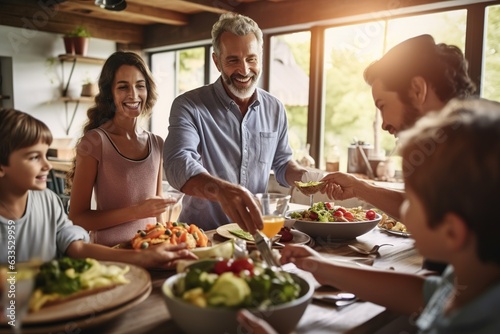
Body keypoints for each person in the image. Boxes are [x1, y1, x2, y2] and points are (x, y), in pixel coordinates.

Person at [241, 98, 500, 334]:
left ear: (452, 232)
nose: (402, 207)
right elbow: (425, 292)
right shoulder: (469, 280)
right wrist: (321, 267)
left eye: (410, 199)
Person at [0, 108, 197, 268]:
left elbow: (75, 247)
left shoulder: (48, 201)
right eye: (34, 157)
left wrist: (140, 257)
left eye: (45, 155)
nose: (48, 165)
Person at [163, 12, 306, 233]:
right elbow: (177, 163)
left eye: (251, 59)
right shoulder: (188, 106)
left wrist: (308, 178)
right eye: (233, 60)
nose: (244, 70)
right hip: (202, 235)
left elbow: (282, 162)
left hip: (253, 233)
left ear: (260, 56)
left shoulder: (275, 108)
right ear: (217, 61)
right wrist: (221, 191)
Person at [322, 34, 477, 220]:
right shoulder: (444, 141)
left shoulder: (483, 144)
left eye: (382, 105)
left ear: (417, 89)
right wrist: (357, 187)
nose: (384, 124)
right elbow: (423, 211)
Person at [67, 51, 174, 247]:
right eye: (123, 87)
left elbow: (158, 215)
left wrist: (167, 238)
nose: (133, 95)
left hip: (150, 251)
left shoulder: (157, 143)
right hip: (110, 255)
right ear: (110, 93)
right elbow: (77, 218)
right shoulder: (95, 142)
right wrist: (137, 211)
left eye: (140, 86)